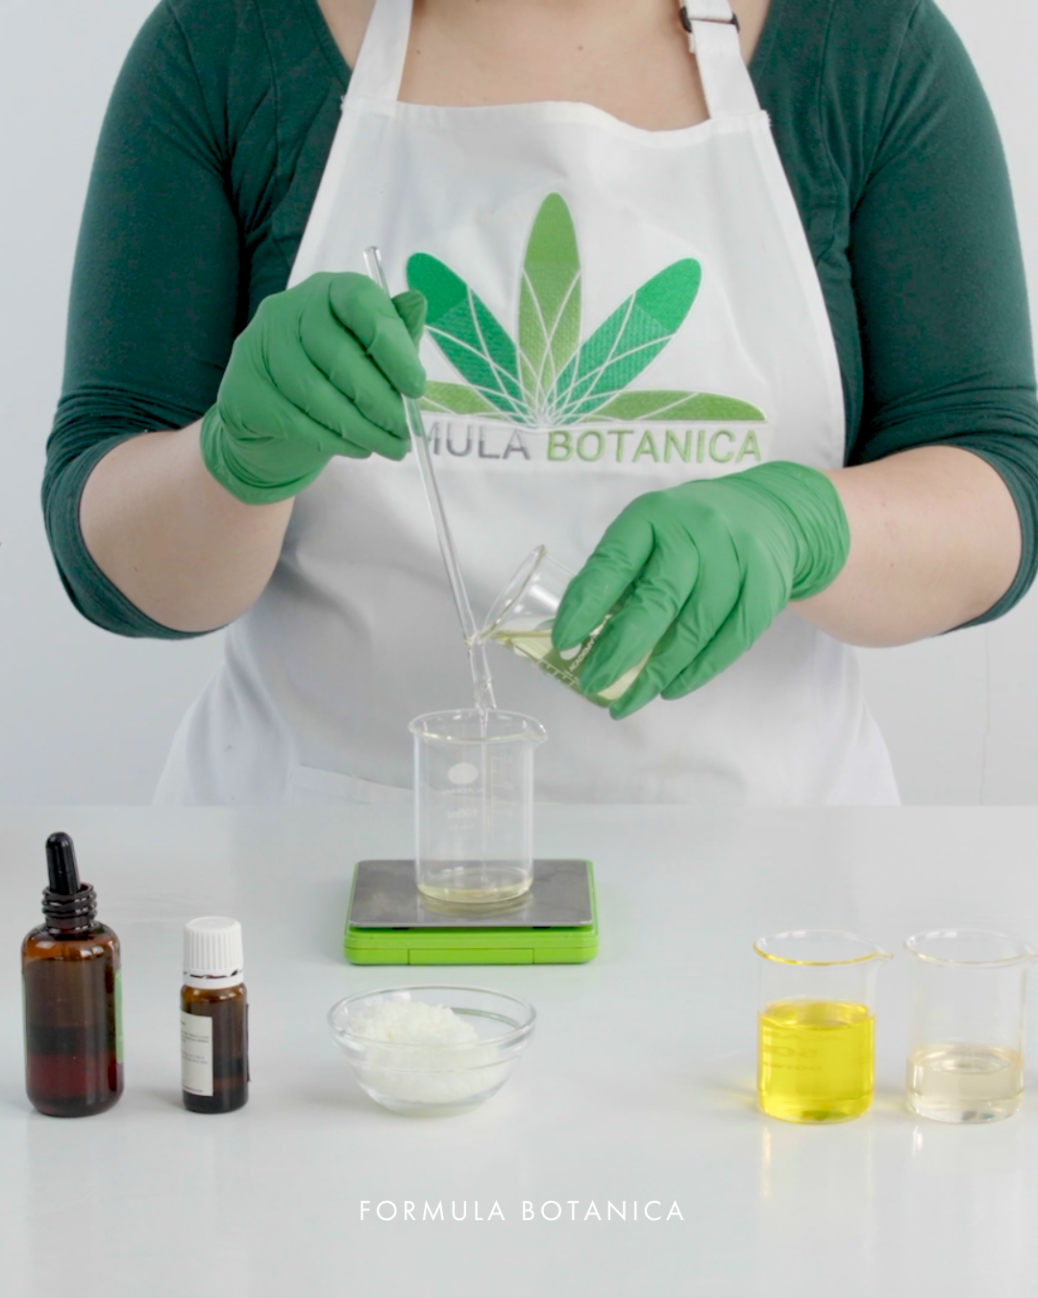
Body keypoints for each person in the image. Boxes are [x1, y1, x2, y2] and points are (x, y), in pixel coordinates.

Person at [44, 0, 1038, 805]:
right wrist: (231, 462)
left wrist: (807, 524)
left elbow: (997, 483)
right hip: (316, 882)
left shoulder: (866, 48)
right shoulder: (230, 43)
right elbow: (109, 558)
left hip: (764, 900)